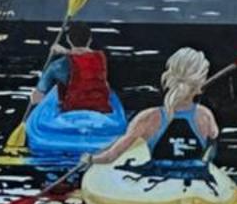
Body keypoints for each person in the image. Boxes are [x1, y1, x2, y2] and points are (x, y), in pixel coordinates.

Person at [88, 47, 218, 170]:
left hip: (157, 185)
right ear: (200, 83)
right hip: (196, 185)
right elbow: (212, 149)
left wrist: (89, 159)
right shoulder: (205, 116)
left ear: (169, 75)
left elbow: (111, 156)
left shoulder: (148, 118)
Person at [33, 25, 113, 113]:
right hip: (100, 109)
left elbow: (38, 96)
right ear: (90, 39)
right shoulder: (101, 58)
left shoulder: (57, 65)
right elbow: (85, 57)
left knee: (40, 98)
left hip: (71, 110)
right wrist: (65, 51)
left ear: (68, 39)